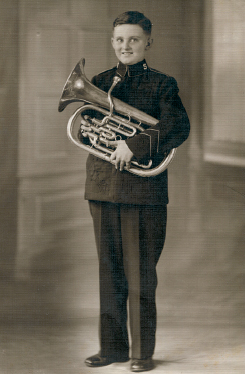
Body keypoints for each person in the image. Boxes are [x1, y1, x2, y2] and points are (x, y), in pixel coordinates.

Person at [84, 11, 190, 372]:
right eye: (118, 40)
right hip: (102, 188)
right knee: (108, 272)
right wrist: (89, 128)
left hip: (143, 193)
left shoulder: (163, 84)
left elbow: (177, 125)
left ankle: (141, 354)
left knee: (141, 275)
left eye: (132, 39)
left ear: (148, 42)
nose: (124, 46)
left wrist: (136, 144)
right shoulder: (98, 81)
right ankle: (111, 348)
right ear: (112, 42)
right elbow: (89, 132)